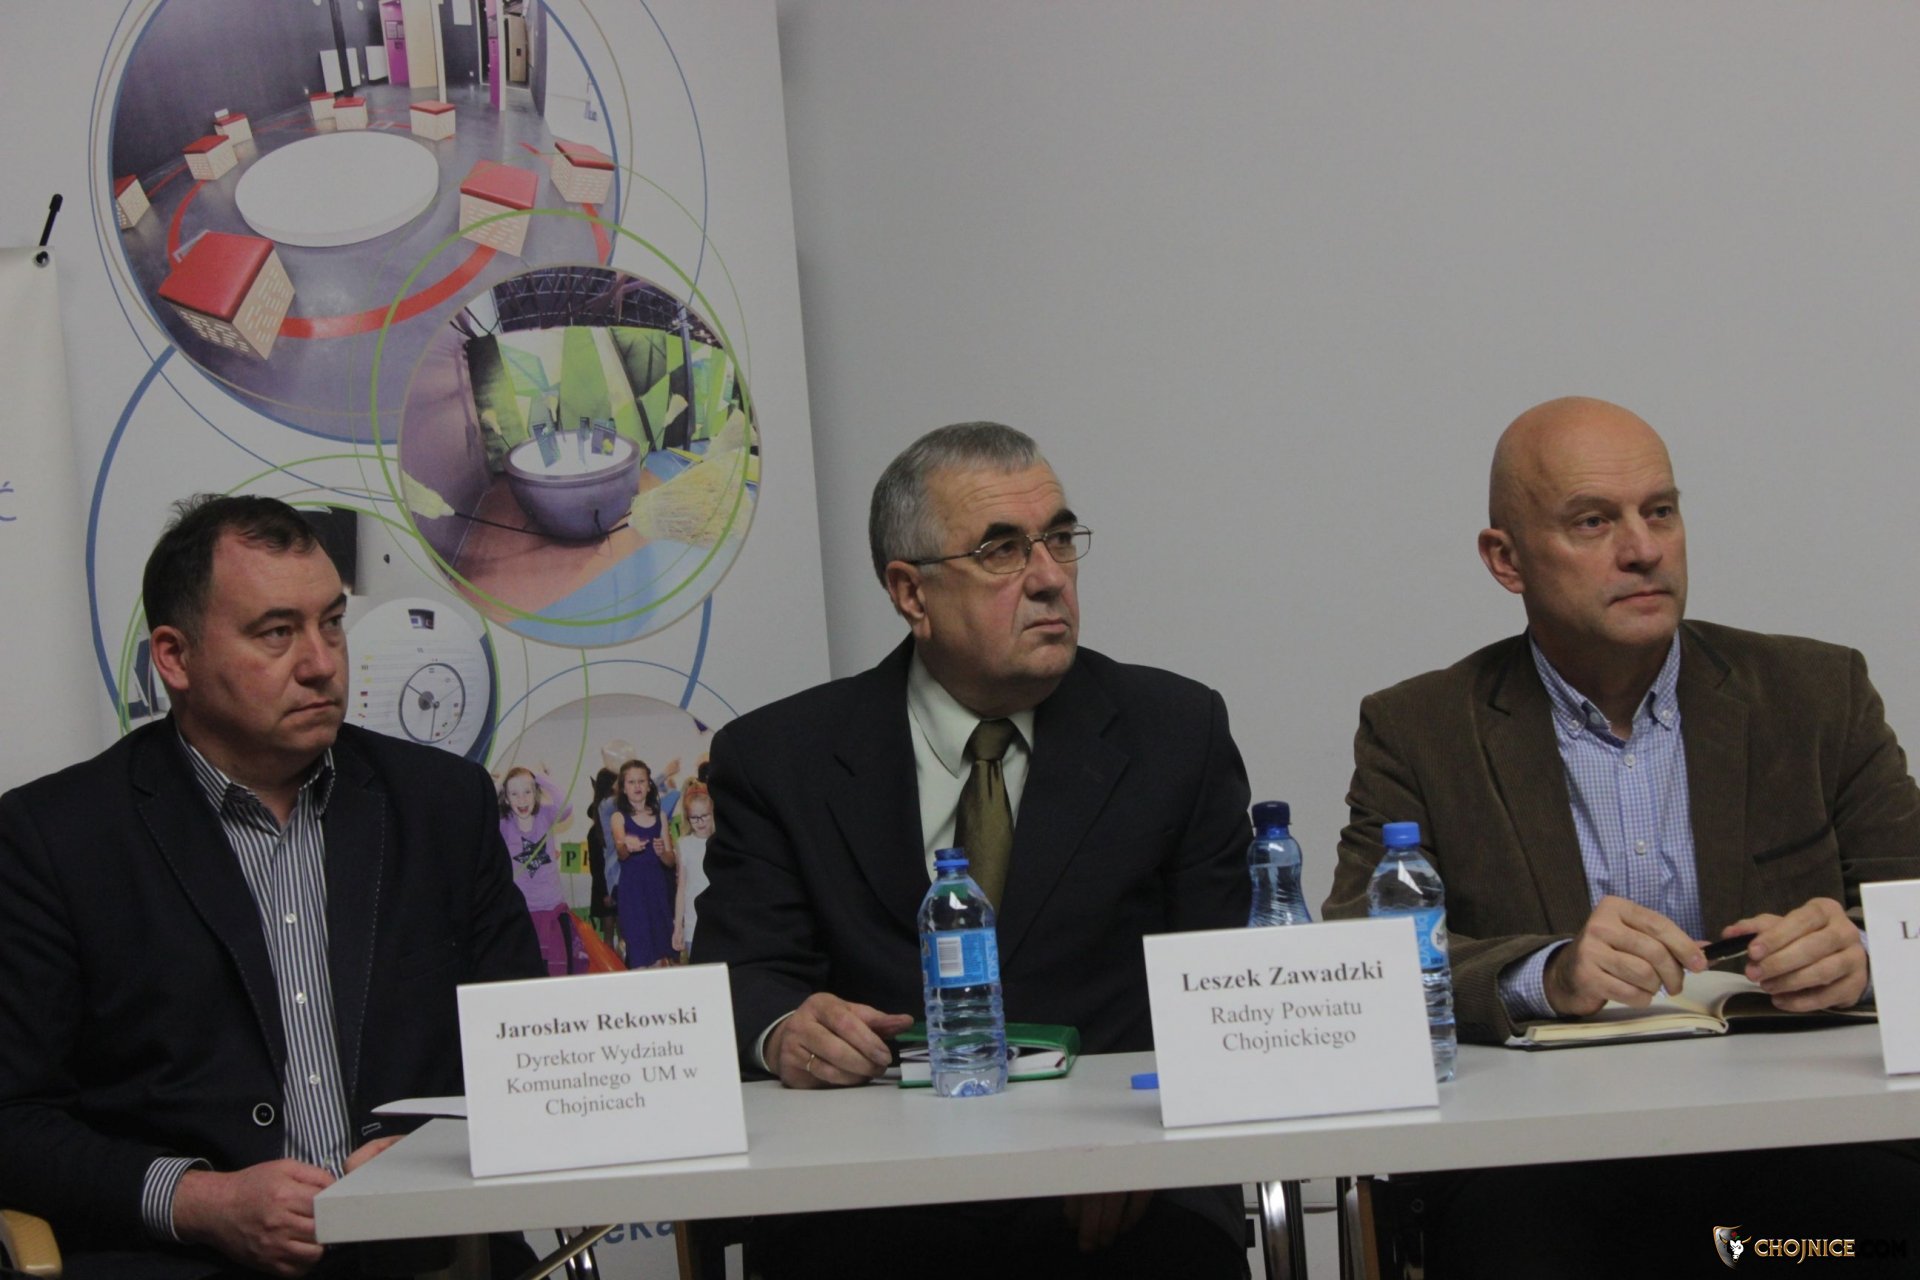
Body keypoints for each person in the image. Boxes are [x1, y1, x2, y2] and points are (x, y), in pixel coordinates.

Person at [1324, 397, 1920, 1275]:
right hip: (1546, 1166)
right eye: (1593, 522)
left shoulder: (1816, 693)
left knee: (1874, 1240)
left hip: (1795, 1159)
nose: (1643, 549)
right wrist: (1546, 974)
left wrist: (1862, 953)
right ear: (1505, 559)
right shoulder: (1421, 730)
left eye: (1661, 512)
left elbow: (1910, 903)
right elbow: (1356, 962)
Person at [692, 422, 1253, 1279]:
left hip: (1120, 1196)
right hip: (871, 1194)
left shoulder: (1176, 733)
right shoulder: (781, 758)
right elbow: (743, 973)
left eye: (1059, 539)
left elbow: (1228, 982)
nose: (1049, 577)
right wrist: (785, 1032)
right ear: (910, 593)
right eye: (1002, 551)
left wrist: (1147, 1147)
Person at [0, 495, 543, 1279]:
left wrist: (437, 1157)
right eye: (277, 633)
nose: (322, 663)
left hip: (423, 1252)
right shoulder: (57, 839)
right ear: (174, 658)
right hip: (183, 1261)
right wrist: (200, 1201)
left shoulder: (441, 805)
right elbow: (14, 1120)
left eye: (332, 623)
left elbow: (529, 1056)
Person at [497, 763, 581, 976]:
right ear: (506, 798)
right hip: (523, 911)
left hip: (552, 907)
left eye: (527, 792)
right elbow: (483, 813)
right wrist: (500, 784)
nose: (522, 799)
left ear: (536, 793)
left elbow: (566, 806)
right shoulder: (504, 824)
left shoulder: (545, 815)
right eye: (514, 794)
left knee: (559, 969)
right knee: (528, 971)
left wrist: (540, 777)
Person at [612, 758, 678, 968]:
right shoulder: (618, 817)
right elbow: (621, 850)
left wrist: (662, 853)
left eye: (641, 781)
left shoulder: (660, 816)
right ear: (623, 788)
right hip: (633, 891)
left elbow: (670, 860)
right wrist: (627, 845)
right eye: (631, 782)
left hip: (656, 888)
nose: (637, 786)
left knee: (660, 953)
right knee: (639, 951)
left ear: (649, 785)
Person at [671, 781, 713, 956]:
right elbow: (681, 888)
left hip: (720, 920)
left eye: (705, 816)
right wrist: (678, 927)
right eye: (694, 818)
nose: (700, 822)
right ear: (687, 818)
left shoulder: (722, 843)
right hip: (693, 923)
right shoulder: (684, 844)